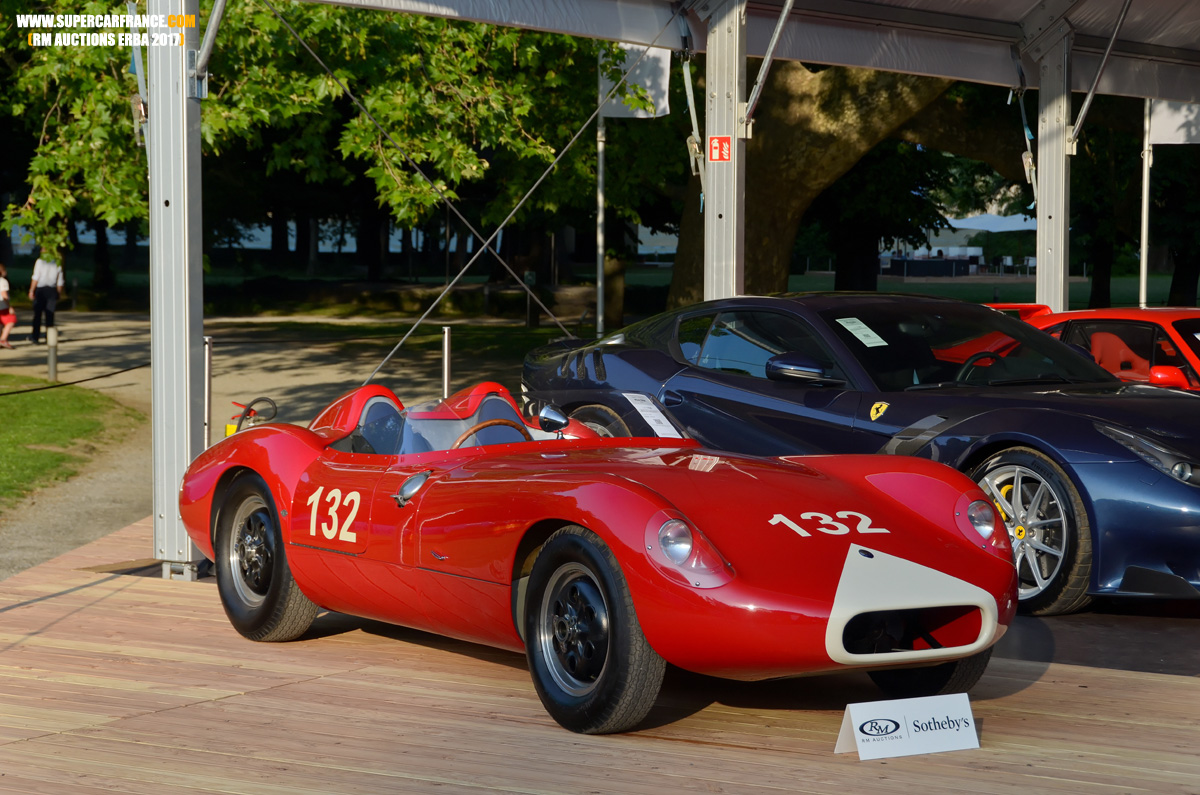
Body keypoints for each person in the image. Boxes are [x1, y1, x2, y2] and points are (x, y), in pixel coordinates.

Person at [28, 247, 65, 344]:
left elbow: (36, 277)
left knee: (37, 314)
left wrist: (31, 290)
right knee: (50, 314)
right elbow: (60, 280)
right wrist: (59, 292)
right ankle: (49, 336)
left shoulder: (40, 261)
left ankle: (35, 336)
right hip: (52, 289)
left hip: (41, 289)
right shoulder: (57, 261)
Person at [0, 264, 16, 349]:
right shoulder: (3, 281)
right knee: (11, 320)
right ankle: (3, 339)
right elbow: (4, 295)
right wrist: (9, 306)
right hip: (3, 306)